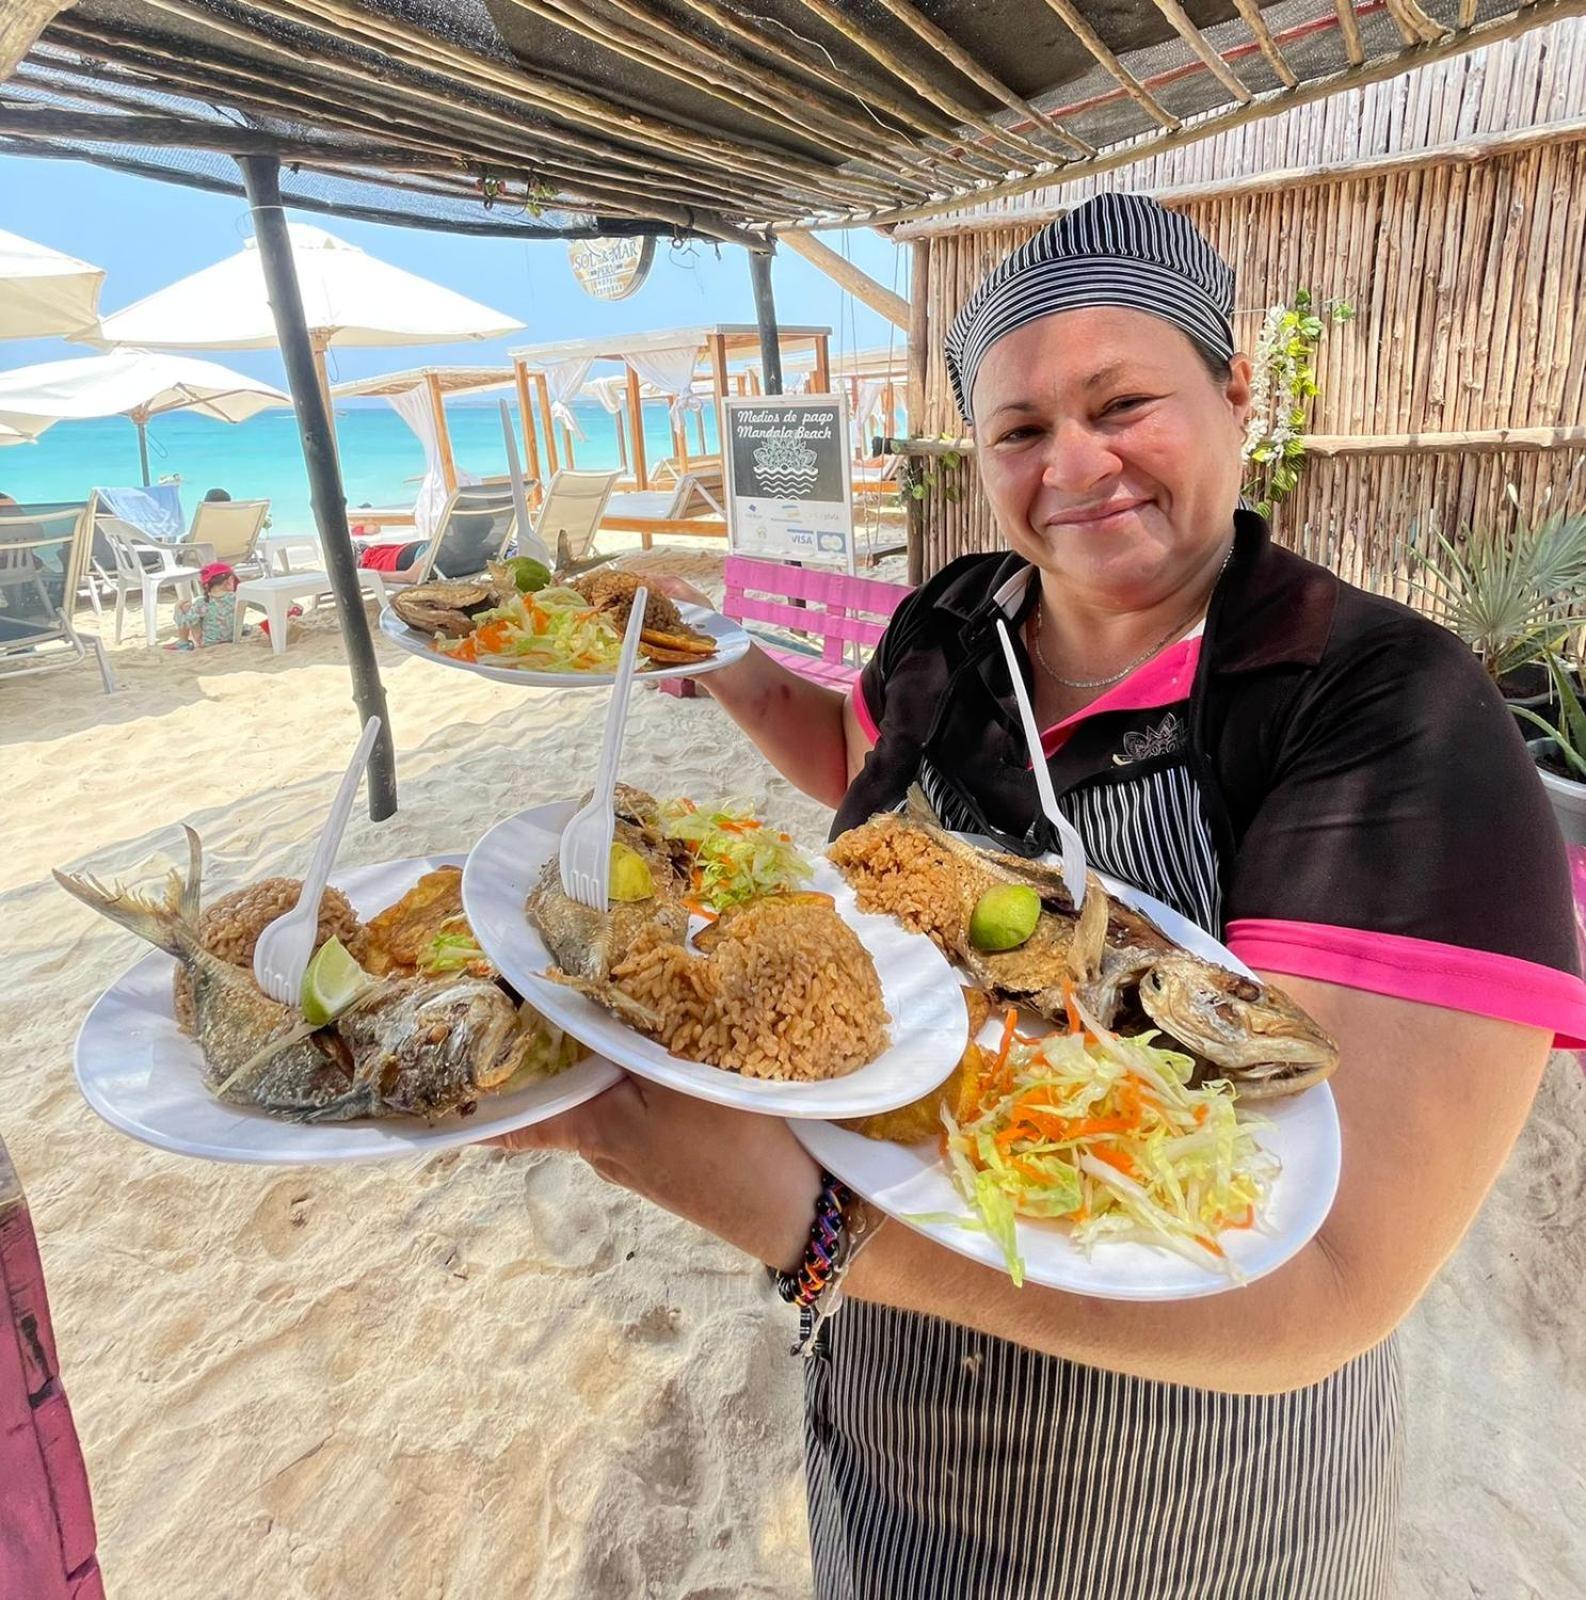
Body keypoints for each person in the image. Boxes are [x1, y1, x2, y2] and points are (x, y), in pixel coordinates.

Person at [489, 195, 1586, 1598]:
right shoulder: (953, 621)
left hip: (1185, 1501)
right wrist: (734, 670)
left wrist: (809, 1234)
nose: (1074, 463)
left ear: (1235, 391)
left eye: (1122, 402)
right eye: (1018, 430)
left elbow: (1328, 1288)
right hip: (887, 1414)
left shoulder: (1377, 709)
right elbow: (867, 777)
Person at [168, 561, 240, 650]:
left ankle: (183, 643)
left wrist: (177, 609)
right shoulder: (237, 597)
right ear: (230, 580)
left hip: (207, 642)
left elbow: (185, 623)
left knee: (186, 608)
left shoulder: (203, 603)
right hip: (233, 637)